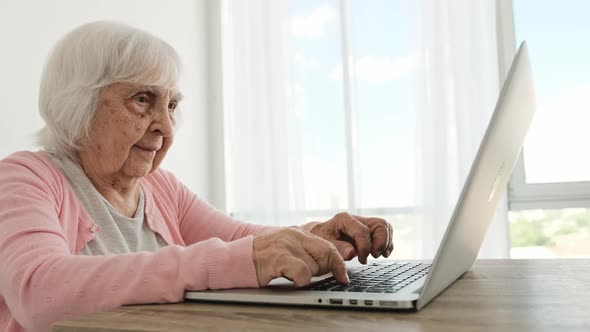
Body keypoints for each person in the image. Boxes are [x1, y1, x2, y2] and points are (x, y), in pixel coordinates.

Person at [0, 21, 394, 332]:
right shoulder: (26, 178)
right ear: (78, 104)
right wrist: (235, 261)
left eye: (171, 105)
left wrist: (312, 237)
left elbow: (240, 240)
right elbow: (40, 294)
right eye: (143, 100)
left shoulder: (159, 187)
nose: (165, 127)